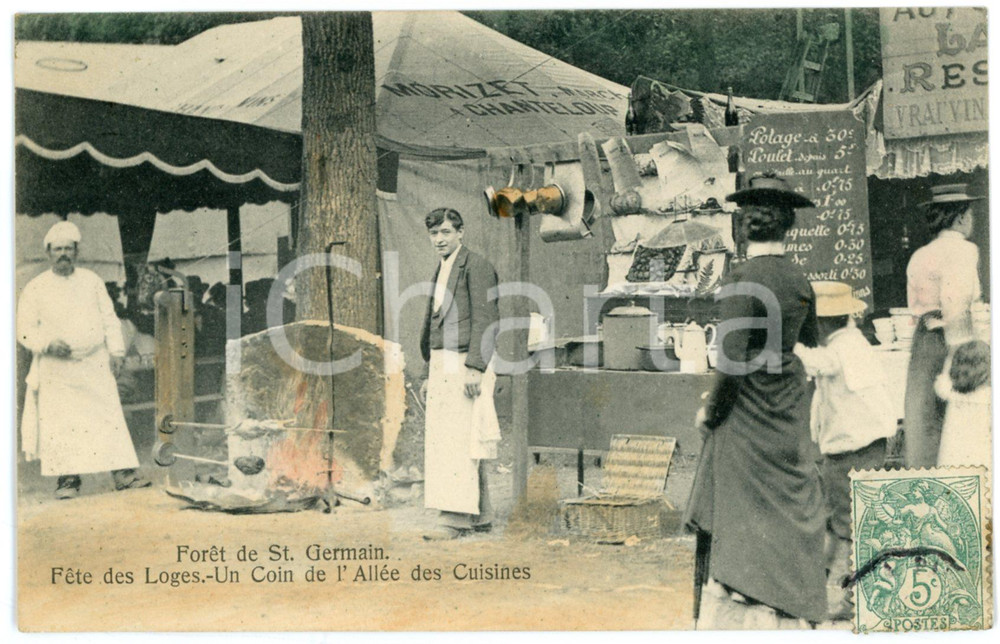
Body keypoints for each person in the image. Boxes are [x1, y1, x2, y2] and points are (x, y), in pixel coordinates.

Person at [684, 172, 826, 627]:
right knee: (786, 509)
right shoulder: (799, 278)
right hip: (786, 405)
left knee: (743, 511)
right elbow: (810, 341)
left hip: (746, 409)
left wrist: (711, 411)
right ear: (790, 227)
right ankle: (789, 607)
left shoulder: (742, 279)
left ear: (744, 227)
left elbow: (730, 363)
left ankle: (749, 609)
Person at [17, 221, 150, 499]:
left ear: (76, 252)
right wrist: (47, 344)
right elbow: (23, 329)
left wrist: (115, 352)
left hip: (94, 363)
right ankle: (68, 481)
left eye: (68, 248)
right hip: (57, 368)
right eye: (58, 249)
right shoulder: (35, 287)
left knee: (108, 416)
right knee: (62, 423)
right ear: (48, 253)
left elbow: (109, 319)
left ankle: (123, 475)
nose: (63, 254)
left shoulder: (92, 281)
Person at [793, 281, 897, 621]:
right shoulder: (853, 341)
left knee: (849, 526)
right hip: (865, 443)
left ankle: (856, 600)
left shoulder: (840, 348)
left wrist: (786, 346)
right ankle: (839, 592)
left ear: (823, 322)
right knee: (844, 522)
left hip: (853, 448)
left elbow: (817, 363)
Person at [418, 208, 500, 541]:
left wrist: (475, 367)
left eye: (446, 232)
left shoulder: (476, 266)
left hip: (465, 360)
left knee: (457, 439)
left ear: (461, 233)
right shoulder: (441, 268)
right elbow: (436, 326)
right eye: (434, 234)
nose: (440, 239)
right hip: (443, 362)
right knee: (453, 437)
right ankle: (480, 514)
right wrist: (429, 372)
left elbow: (486, 319)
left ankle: (456, 517)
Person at [904, 183, 984, 467]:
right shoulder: (964, 250)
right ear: (961, 217)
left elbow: (916, 307)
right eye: (970, 214)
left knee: (923, 421)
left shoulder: (919, 255)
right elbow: (955, 304)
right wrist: (959, 356)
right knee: (959, 422)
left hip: (923, 342)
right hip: (951, 340)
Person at [935, 339, 991, 467]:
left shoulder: (950, 391)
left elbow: (940, 383)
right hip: (981, 455)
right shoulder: (987, 396)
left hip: (953, 455)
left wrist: (950, 359)